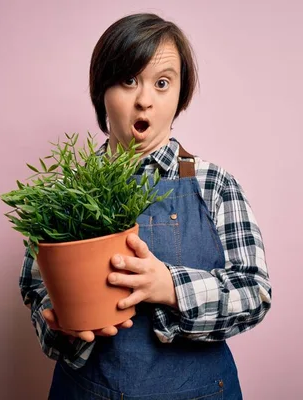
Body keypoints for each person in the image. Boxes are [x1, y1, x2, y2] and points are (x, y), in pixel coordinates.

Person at [19, 13, 272, 400]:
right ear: (101, 91)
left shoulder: (214, 184)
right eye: (128, 80)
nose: (144, 100)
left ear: (180, 95)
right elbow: (36, 287)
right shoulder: (65, 190)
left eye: (162, 83)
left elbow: (254, 293)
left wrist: (169, 287)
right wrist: (59, 328)